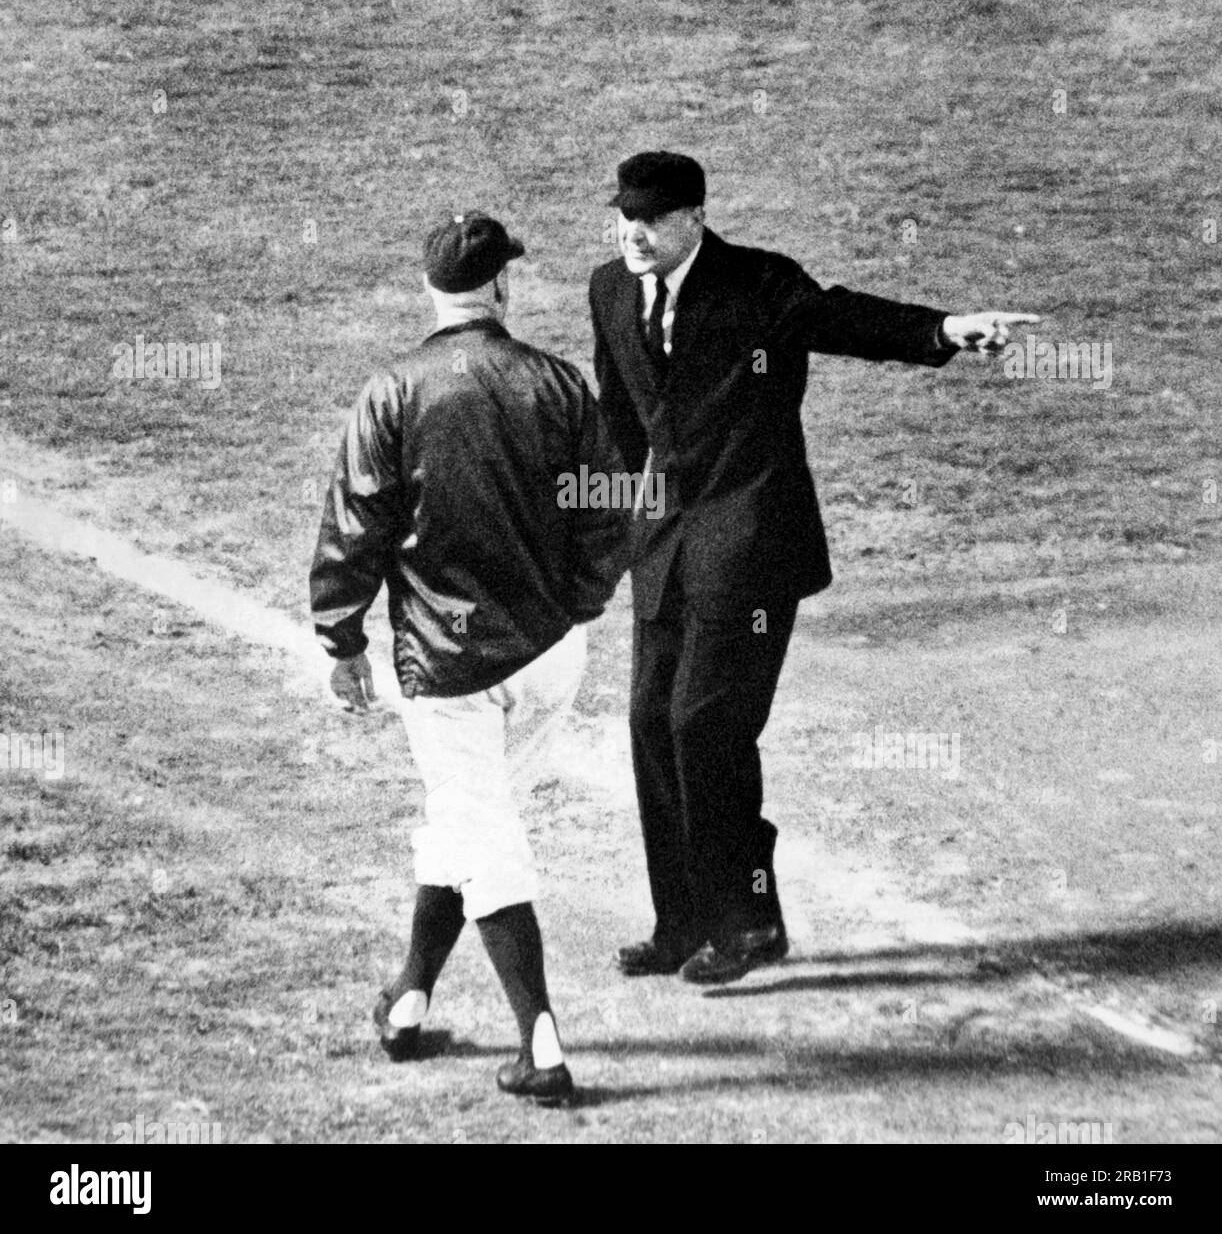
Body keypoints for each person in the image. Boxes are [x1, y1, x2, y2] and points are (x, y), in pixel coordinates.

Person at [589, 150, 1039, 985]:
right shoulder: (609, 289)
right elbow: (621, 418)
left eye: (650, 219)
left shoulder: (759, 285)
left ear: (693, 217)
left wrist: (944, 330)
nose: (634, 233)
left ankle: (750, 921)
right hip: (663, 547)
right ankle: (681, 920)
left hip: (751, 546)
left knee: (705, 726)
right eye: (625, 216)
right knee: (652, 724)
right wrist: (614, 530)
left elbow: (844, 319)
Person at [311, 211, 630, 1104]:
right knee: (469, 820)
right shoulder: (557, 383)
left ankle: (543, 1044)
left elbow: (352, 531)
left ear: (431, 290)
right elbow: (613, 510)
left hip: (449, 666)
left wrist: (342, 642)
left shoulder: (392, 392)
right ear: (499, 288)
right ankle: (409, 998)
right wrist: (575, 606)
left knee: (482, 834)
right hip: (551, 656)